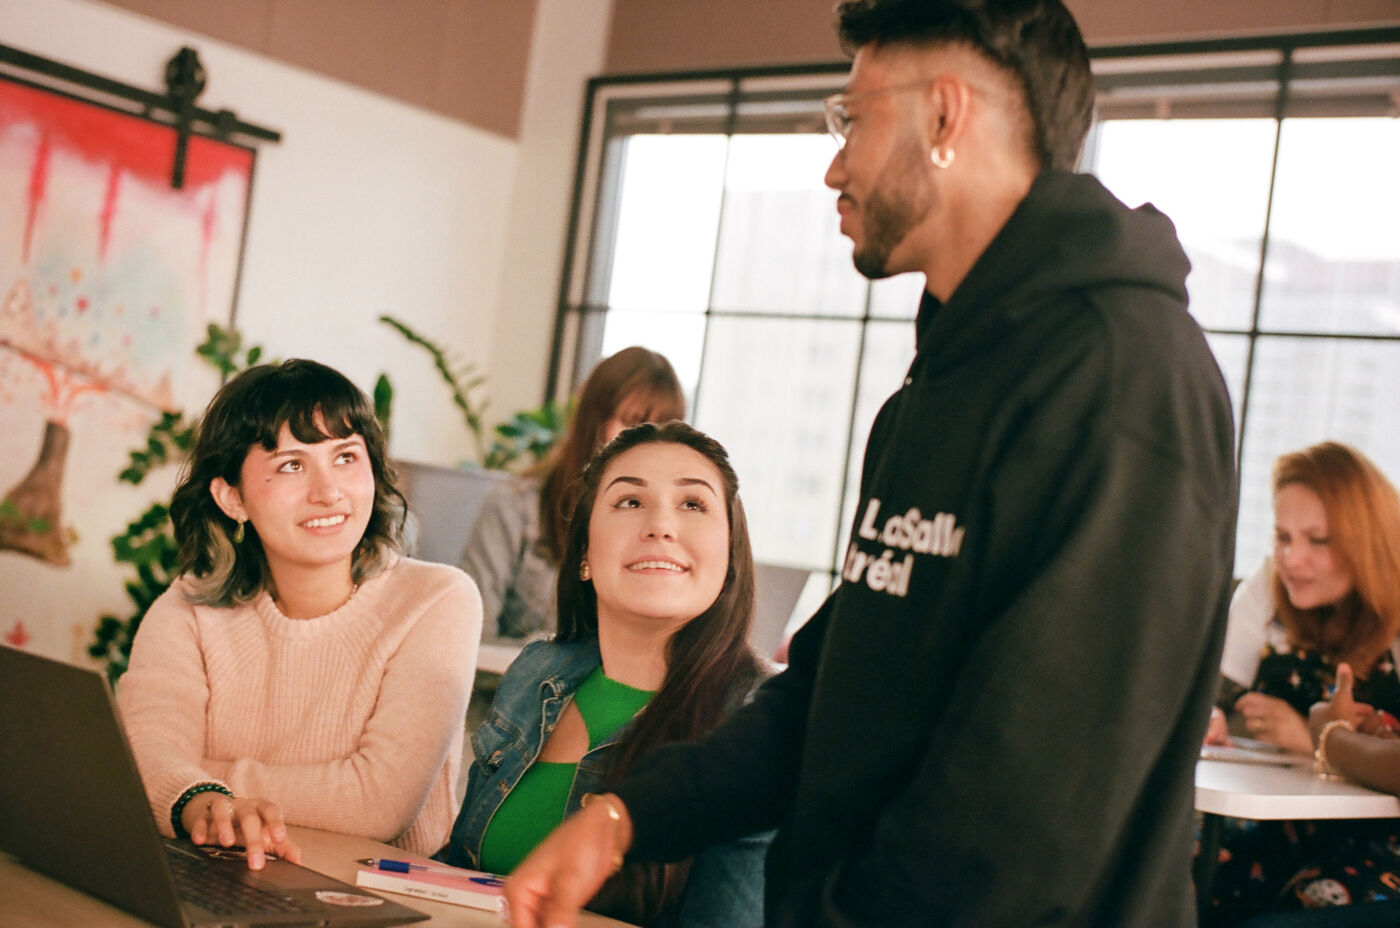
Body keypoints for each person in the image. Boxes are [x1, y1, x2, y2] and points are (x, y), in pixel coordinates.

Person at [503, 1, 1237, 926]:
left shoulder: (1123, 378)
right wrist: (626, 816)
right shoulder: (933, 391)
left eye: (850, 117)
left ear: (943, 115)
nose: (833, 163)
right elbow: (831, 695)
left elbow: (1030, 810)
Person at [118, 359, 482, 869]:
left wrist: (197, 779)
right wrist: (187, 788)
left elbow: (377, 804)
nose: (328, 491)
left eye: (346, 457)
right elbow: (141, 763)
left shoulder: (438, 600)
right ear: (231, 497)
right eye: (291, 464)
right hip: (223, 872)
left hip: (377, 897)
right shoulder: (187, 609)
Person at [439, 421, 770, 927]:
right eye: (630, 502)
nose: (661, 525)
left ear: (730, 556)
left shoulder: (759, 717)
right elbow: (459, 877)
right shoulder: (537, 671)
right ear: (586, 554)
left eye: (693, 504)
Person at [1201, 442, 1400, 924]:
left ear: (1365, 542)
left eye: (1318, 541)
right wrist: (1207, 714)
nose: (1291, 558)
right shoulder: (1269, 585)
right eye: (1282, 536)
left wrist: (1317, 742)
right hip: (1277, 826)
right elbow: (1213, 688)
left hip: (1377, 844)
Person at [462, 346, 685, 642]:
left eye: (659, 429)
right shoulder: (517, 505)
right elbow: (469, 636)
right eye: (632, 423)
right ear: (595, 419)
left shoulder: (666, 528)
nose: (645, 442)